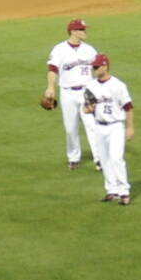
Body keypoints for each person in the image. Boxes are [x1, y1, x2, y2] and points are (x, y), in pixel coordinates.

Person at [42, 18, 99, 168]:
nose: (85, 32)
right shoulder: (59, 49)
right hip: (67, 93)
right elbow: (52, 69)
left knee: (92, 125)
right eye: (82, 30)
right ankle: (73, 158)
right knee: (70, 127)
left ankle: (99, 158)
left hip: (86, 92)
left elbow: (98, 68)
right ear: (73, 31)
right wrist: (50, 87)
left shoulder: (90, 50)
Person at [82, 53, 135, 204]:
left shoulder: (118, 85)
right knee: (104, 159)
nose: (94, 69)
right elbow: (86, 108)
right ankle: (111, 190)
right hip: (99, 126)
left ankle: (124, 192)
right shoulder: (91, 86)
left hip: (116, 126)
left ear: (105, 66)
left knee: (116, 158)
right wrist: (88, 108)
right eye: (93, 67)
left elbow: (129, 108)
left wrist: (130, 128)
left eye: (97, 67)